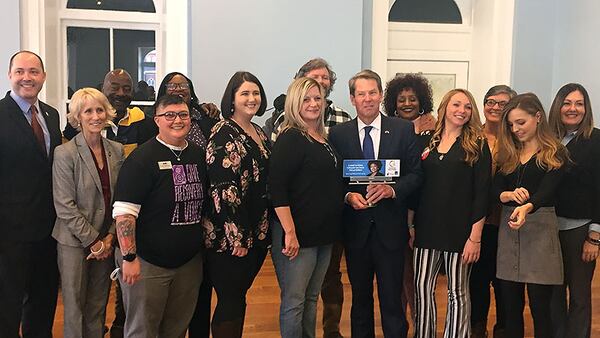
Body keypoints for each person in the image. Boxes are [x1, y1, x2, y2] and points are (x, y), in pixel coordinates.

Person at [328, 69, 422, 338]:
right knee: (360, 301)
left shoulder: (403, 130)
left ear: (380, 95)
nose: (367, 99)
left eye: (372, 93)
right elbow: (334, 180)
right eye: (361, 94)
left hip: (391, 230)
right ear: (352, 98)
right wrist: (347, 196)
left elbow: (416, 175)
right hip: (355, 231)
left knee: (392, 300)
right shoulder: (339, 134)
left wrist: (392, 190)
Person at [267, 57, 351, 338]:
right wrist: (289, 232)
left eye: (318, 98)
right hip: (297, 236)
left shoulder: (324, 139)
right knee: (294, 301)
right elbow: (277, 189)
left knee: (312, 297)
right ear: (294, 103)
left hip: (324, 235)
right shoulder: (291, 137)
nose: (314, 103)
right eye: (306, 99)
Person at [112, 94, 206, 338]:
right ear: (157, 120)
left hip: (188, 263)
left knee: (176, 329)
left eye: (183, 115)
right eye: (170, 115)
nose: (178, 120)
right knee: (142, 330)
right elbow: (124, 214)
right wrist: (129, 257)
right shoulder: (142, 159)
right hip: (147, 264)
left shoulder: (199, 155)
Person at [412, 89, 491, 338]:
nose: (462, 110)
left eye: (467, 107)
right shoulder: (426, 141)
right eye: (457, 104)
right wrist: (411, 226)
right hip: (426, 229)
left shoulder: (477, 145)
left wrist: (475, 237)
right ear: (445, 107)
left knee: (457, 292)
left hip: (461, 233)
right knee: (422, 288)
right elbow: (416, 187)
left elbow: (482, 195)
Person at [146, 72, 219, 338]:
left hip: (199, 225)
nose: (178, 89)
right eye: (172, 86)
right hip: (159, 234)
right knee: (153, 314)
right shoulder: (150, 136)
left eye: (183, 85)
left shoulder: (207, 119)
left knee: (194, 299)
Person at [493, 93, 568, 338]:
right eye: (511, 125)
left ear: (538, 117)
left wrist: (527, 206)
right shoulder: (508, 152)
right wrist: (507, 195)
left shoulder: (554, 152)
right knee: (511, 306)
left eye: (520, 123)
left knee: (540, 307)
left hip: (540, 232)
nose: (515, 129)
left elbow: (548, 191)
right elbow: (494, 189)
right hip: (509, 232)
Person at [52, 88, 125, 338]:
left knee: (97, 304)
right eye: (88, 111)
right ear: (78, 117)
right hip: (74, 242)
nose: (95, 116)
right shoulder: (65, 154)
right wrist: (94, 242)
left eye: (99, 110)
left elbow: (121, 200)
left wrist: (109, 238)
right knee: (75, 307)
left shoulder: (117, 150)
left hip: (106, 239)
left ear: (107, 113)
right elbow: (64, 205)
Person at [203, 71, 271, 337]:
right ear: (231, 98)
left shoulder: (258, 131)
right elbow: (223, 189)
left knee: (239, 297)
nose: (251, 98)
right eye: (244, 93)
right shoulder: (223, 132)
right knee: (230, 300)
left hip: (256, 231)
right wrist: (237, 237)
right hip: (229, 238)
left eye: (255, 93)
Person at [0, 50, 62, 338]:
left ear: (43, 77)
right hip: (9, 231)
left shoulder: (51, 115)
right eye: (21, 71)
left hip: (47, 230)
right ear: (10, 75)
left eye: (34, 72)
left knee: (43, 300)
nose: (28, 77)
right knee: (7, 305)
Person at [548, 83, 600, 338]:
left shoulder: (597, 140)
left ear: (586, 108)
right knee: (553, 294)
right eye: (567, 103)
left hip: (581, 231)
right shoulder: (547, 139)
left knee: (579, 298)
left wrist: (595, 236)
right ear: (558, 106)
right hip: (548, 229)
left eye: (578, 103)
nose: (572, 108)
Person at [470, 85, 516, 338]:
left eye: (502, 103)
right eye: (490, 101)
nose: (495, 107)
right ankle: (477, 328)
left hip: (508, 223)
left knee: (505, 283)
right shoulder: (472, 136)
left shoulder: (518, 140)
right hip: (478, 222)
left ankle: (504, 330)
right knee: (476, 280)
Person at [64, 69, 153, 157]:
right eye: (115, 88)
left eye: (127, 89)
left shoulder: (143, 122)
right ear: (103, 90)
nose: (121, 93)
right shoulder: (84, 123)